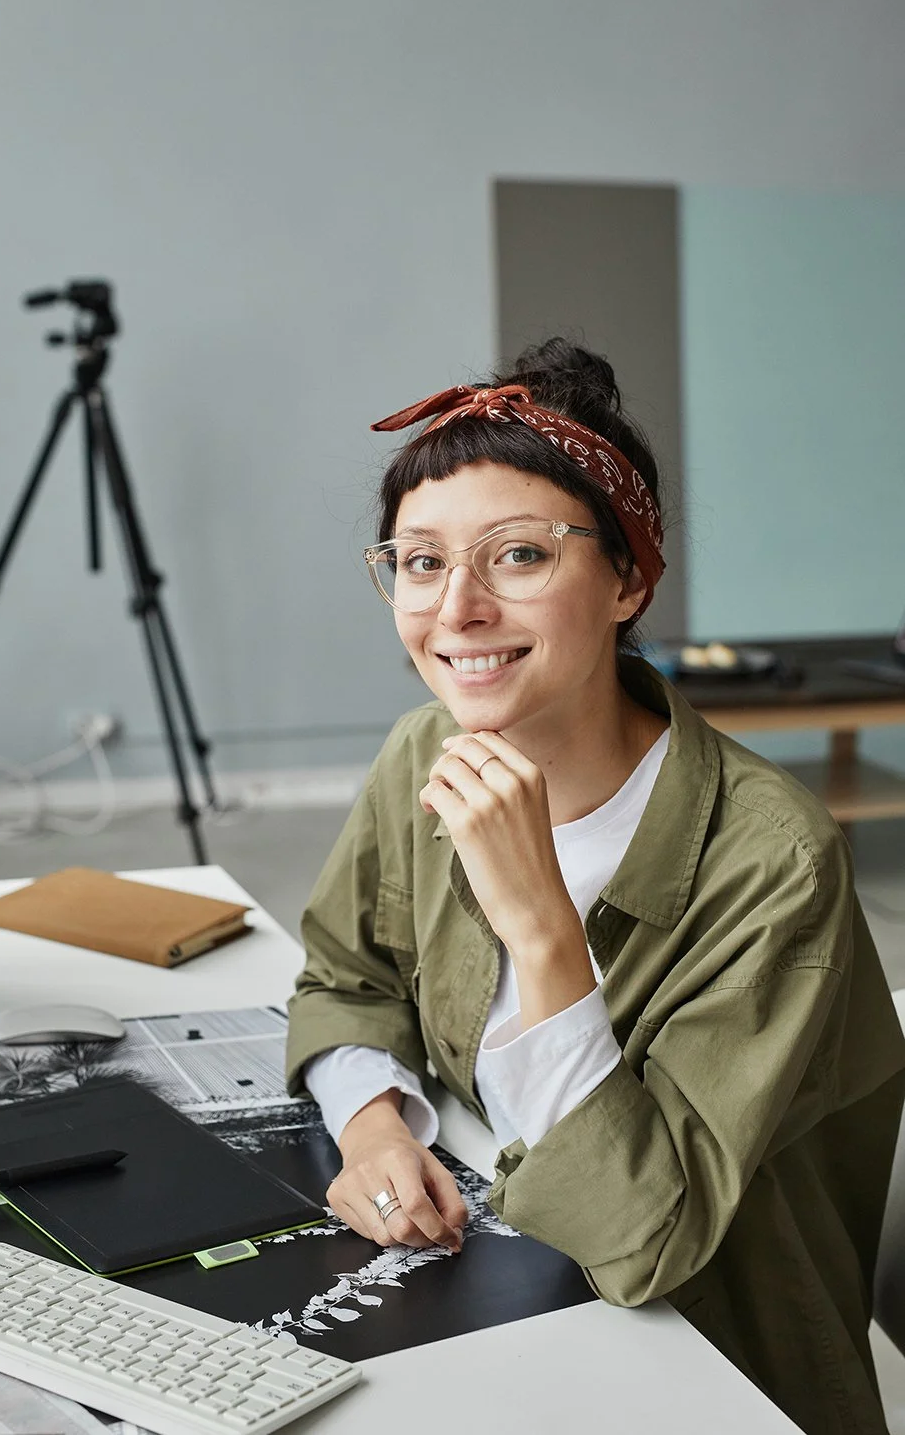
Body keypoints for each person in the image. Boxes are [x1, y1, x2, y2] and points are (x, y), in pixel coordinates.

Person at [284, 338, 905, 1435]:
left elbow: (645, 1235)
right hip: (503, 1297)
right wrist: (375, 1125)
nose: (455, 609)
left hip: (705, 1364)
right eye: (420, 562)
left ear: (627, 579)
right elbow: (346, 975)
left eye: (516, 555)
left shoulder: (772, 857)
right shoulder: (418, 754)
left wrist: (540, 929)